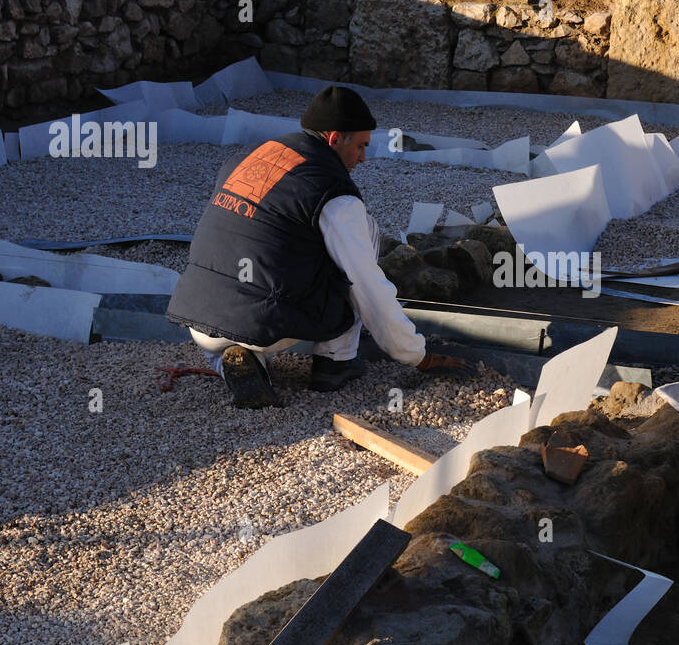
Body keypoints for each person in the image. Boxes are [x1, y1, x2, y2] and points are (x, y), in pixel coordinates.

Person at [167, 85, 469, 409]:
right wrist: (417, 356)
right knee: (355, 252)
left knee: (279, 262)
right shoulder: (334, 195)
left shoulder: (253, 155)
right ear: (335, 139)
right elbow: (369, 286)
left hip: (199, 320)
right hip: (265, 324)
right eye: (361, 146)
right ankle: (335, 362)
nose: (364, 158)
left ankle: (237, 363)